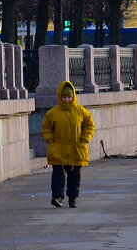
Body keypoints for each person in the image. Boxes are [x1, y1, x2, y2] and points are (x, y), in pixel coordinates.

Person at [40, 79, 95, 208]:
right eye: (64, 97)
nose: (67, 100)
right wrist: (50, 139)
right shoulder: (53, 113)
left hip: (76, 149)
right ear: (60, 97)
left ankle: (73, 198)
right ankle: (57, 196)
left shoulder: (81, 111)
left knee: (74, 176)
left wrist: (85, 138)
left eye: (69, 97)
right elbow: (46, 128)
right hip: (58, 149)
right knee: (58, 174)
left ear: (73, 96)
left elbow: (90, 125)